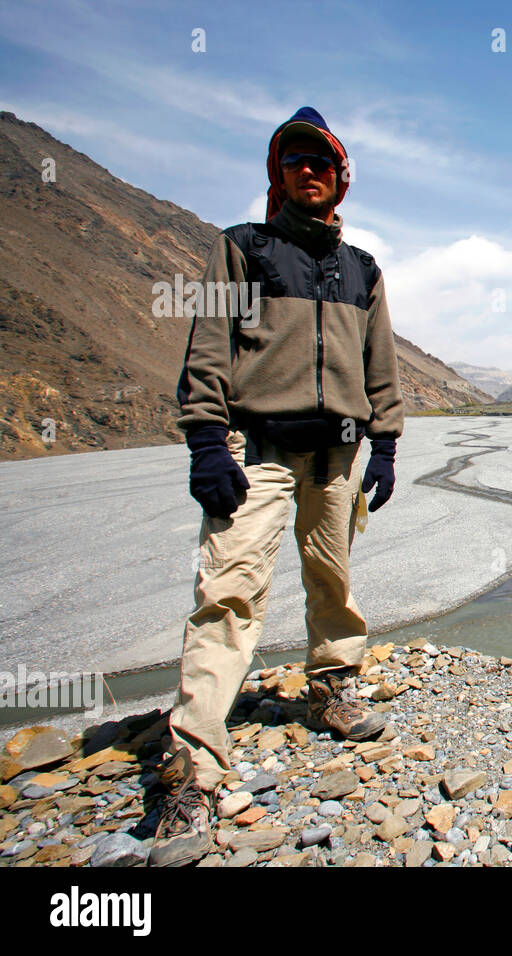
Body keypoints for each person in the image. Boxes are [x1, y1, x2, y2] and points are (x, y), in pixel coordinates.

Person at [151, 107, 404, 866]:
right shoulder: (241, 250)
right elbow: (208, 349)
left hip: (337, 454)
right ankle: (194, 773)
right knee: (228, 591)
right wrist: (205, 439)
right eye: (293, 160)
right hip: (254, 448)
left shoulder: (362, 268)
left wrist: (384, 443)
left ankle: (332, 686)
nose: (307, 171)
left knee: (333, 581)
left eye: (320, 161)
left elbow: (381, 365)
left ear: (340, 176)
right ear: (277, 175)